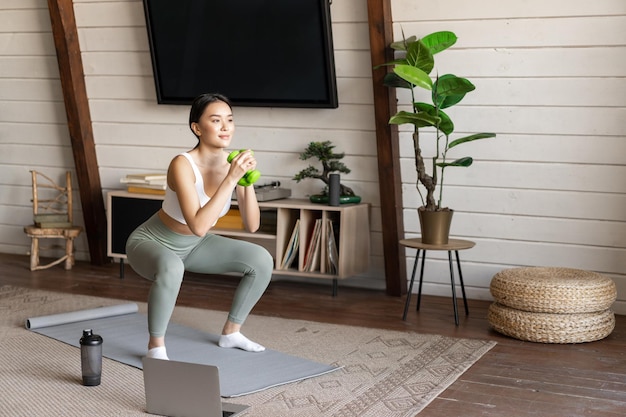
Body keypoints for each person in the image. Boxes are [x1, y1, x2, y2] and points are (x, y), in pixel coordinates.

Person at [126, 93, 273, 360]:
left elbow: (252, 225)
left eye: (229, 120)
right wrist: (231, 179)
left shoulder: (233, 164)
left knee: (261, 259)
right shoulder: (182, 164)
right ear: (197, 128)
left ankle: (231, 332)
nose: (225, 127)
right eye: (216, 120)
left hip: (195, 247)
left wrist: (246, 181)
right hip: (152, 242)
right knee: (172, 266)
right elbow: (198, 225)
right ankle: (155, 347)